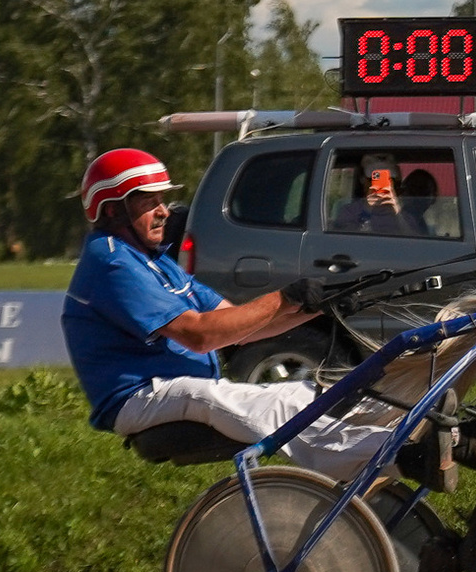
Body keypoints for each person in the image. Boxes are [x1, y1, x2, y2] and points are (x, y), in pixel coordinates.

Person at [62, 148, 405, 483]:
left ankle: (391, 441)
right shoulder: (111, 262)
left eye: (162, 201)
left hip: (173, 388)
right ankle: (396, 454)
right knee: (222, 401)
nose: (164, 212)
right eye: (149, 203)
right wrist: (283, 297)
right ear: (112, 211)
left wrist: (314, 310)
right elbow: (199, 335)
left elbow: (236, 325)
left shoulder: (154, 260)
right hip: (137, 398)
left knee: (296, 394)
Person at [330, 156, 416, 236]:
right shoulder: (349, 212)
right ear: (363, 180)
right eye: (374, 178)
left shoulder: (405, 216)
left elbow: (415, 244)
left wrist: (398, 215)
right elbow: (344, 242)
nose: (378, 184)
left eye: (387, 179)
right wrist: (366, 212)